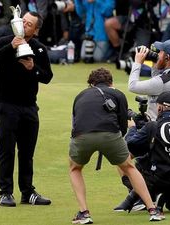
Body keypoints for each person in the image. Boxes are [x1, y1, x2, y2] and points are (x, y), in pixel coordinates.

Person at [69, 68, 164, 224]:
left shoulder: (80, 95)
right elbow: (122, 127)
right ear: (111, 82)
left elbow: (75, 122)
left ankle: (84, 213)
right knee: (129, 167)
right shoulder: (117, 93)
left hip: (81, 135)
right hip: (110, 134)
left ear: (91, 84)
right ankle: (152, 210)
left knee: (75, 168)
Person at [0, 11, 53, 207]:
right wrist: (11, 46)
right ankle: (5, 192)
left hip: (30, 107)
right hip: (6, 105)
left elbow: (47, 76)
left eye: (29, 24)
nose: (24, 24)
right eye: (23, 20)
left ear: (36, 30)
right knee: (6, 149)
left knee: (27, 152)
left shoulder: (39, 49)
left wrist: (33, 68)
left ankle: (27, 191)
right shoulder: (6, 40)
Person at [128, 39, 170, 121]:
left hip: (162, 126)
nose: (157, 54)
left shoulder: (162, 82)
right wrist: (156, 62)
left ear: (167, 57)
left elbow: (132, 86)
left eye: (160, 52)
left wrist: (137, 62)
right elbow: (156, 78)